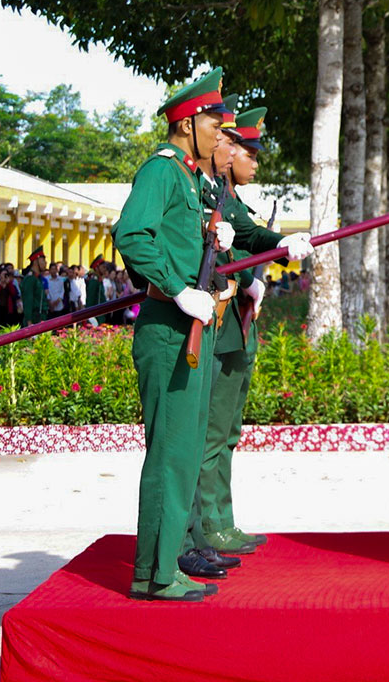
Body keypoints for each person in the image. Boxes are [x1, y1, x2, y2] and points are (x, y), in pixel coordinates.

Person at [112, 67, 239, 602]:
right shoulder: (162, 172)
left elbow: (180, 242)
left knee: (182, 453)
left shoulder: (189, 177)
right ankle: (157, 575)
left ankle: (159, 568)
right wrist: (172, 286)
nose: (219, 132)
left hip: (193, 325)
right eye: (213, 121)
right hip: (169, 327)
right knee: (170, 453)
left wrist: (216, 238)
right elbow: (132, 234)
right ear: (188, 123)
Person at [186, 104, 313, 561]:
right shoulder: (195, 186)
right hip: (214, 322)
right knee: (210, 434)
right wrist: (243, 271)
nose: (253, 162)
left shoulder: (226, 197)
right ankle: (204, 530)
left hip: (236, 322)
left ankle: (219, 522)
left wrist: (277, 247)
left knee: (227, 431)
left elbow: (246, 236)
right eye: (246, 150)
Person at [20, 248, 49, 327]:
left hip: (41, 318)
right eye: (43, 260)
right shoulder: (30, 279)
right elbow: (28, 302)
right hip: (34, 319)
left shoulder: (38, 278)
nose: (45, 263)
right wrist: (29, 322)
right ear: (36, 261)